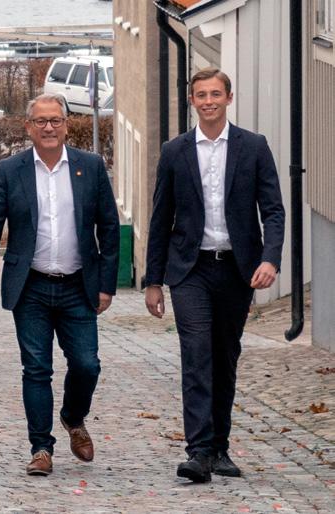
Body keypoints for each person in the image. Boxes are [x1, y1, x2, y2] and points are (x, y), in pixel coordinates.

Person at [144, 68, 285, 483]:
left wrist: (270, 259)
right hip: (190, 268)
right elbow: (160, 217)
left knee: (224, 356)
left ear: (228, 98)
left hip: (238, 270)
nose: (208, 101)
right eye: (201, 95)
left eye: (215, 94)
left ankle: (219, 447)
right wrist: (153, 281)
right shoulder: (175, 151)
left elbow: (273, 210)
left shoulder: (253, 146)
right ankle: (199, 451)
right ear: (192, 101)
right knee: (196, 354)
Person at [0, 93, 119, 476]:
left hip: (78, 285)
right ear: (28, 127)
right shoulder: (10, 170)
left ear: (66, 125)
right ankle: (41, 448)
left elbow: (109, 227)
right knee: (36, 368)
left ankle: (73, 416)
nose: (49, 127)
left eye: (56, 120)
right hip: (31, 287)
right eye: (41, 121)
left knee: (87, 364)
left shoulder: (90, 166)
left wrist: (106, 284)